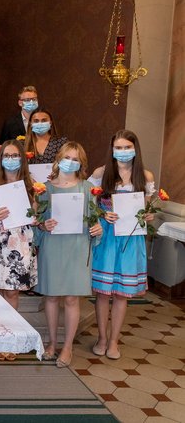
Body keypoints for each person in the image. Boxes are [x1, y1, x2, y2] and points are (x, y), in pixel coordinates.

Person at [33, 142, 103, 368]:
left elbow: (94, 220)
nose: (71, 162)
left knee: (72, 298)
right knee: (51, 296)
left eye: (76, 159)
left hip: (78, 246)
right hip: (53, 245)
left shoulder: (87, 189)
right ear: (58, 159)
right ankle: (52, 344)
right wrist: (43, 225)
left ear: (81, 163)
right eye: (67, 157)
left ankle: (68, 347)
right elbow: (35, 222)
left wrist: (97, 228)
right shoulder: (44, 189)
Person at [89, 130, 155, 360]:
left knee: (121, 294)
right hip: (107, 236)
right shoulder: (101, 173)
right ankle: (102, 338)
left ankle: (114, 340)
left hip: (130, 237)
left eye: (127, 147)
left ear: (135, 149)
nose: (123, 151)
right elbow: (89, 204)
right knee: (102, 293)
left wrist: (149, 216)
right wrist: (101, 214)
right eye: (119, 147)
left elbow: (147, 210)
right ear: (112, 149)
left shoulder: (145, 176)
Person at [0, 139, 37, 311]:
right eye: (7, 155)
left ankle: (11, 330)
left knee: (12, 291)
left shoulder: (31, 185)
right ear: (0, 159)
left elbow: (34, 213)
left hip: (20, 242)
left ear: (22, 159)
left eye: (15, 155)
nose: (11, 159)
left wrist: (35, 218)